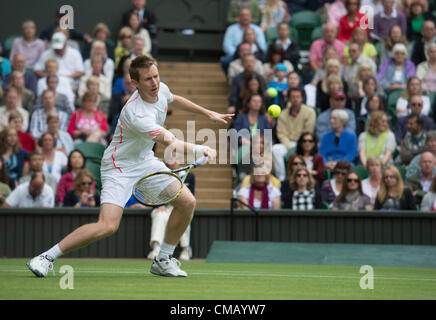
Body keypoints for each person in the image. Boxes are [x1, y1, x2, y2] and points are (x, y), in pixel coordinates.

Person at [26, 55, 232, 278]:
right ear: (135, 83)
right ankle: (46, 257)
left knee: (187, 202)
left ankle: (163, 259)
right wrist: (201, 149)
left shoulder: (160, 88)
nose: (154, 83)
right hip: (119, 167)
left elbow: (173, 97)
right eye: (147, 80)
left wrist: (207, 113)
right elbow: (171, 142)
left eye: (156, 76)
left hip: (145, 161)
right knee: (107, 226)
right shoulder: (136, 114)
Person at [146, 153, 195, 261]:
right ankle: (156, 248)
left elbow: (191, 197)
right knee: (159, 215)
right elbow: (156, 193)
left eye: (175, 159)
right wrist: (161, 205)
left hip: (181, 207)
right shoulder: (161, 175)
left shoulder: (190, 176)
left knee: (184, 216)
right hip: (164, 206)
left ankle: (186, 249)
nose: (173, 161)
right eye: (170, 159)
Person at [273, 88, 316, 181]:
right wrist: (290, 148)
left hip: (303, 143)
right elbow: (281, 133)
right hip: (287, 144)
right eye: (293, 97)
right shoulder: (283, 113)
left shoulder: (310, 112)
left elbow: (308, 132)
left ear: (302, 98)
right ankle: (282, 179)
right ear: (289, 99)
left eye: (298, 97)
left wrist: (298, 146)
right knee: (275, 149)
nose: (295, 99)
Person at [222, 8, 267, 73]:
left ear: (251, 17)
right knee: (226, 60)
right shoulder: (231, 29)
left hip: (255, 56)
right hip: (236, 55)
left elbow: (263, 47)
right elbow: (226, 46)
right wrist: (239, 54)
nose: (245, 17)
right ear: (238, 17)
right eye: (243, 15)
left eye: (247, 15)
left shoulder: (258, 29)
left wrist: (250, 57)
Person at [233, 93, 272, 169]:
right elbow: (235, 132)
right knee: (244, 150)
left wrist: (263, 143)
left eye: (259, 101)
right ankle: (242, 174)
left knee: (270, 151)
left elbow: (268, 135)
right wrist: (241, 139)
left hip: (261, 145)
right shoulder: (241, 117)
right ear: (248, 104)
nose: (257, 103)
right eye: (254, 101)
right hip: (245, 145)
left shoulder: (264, 118)